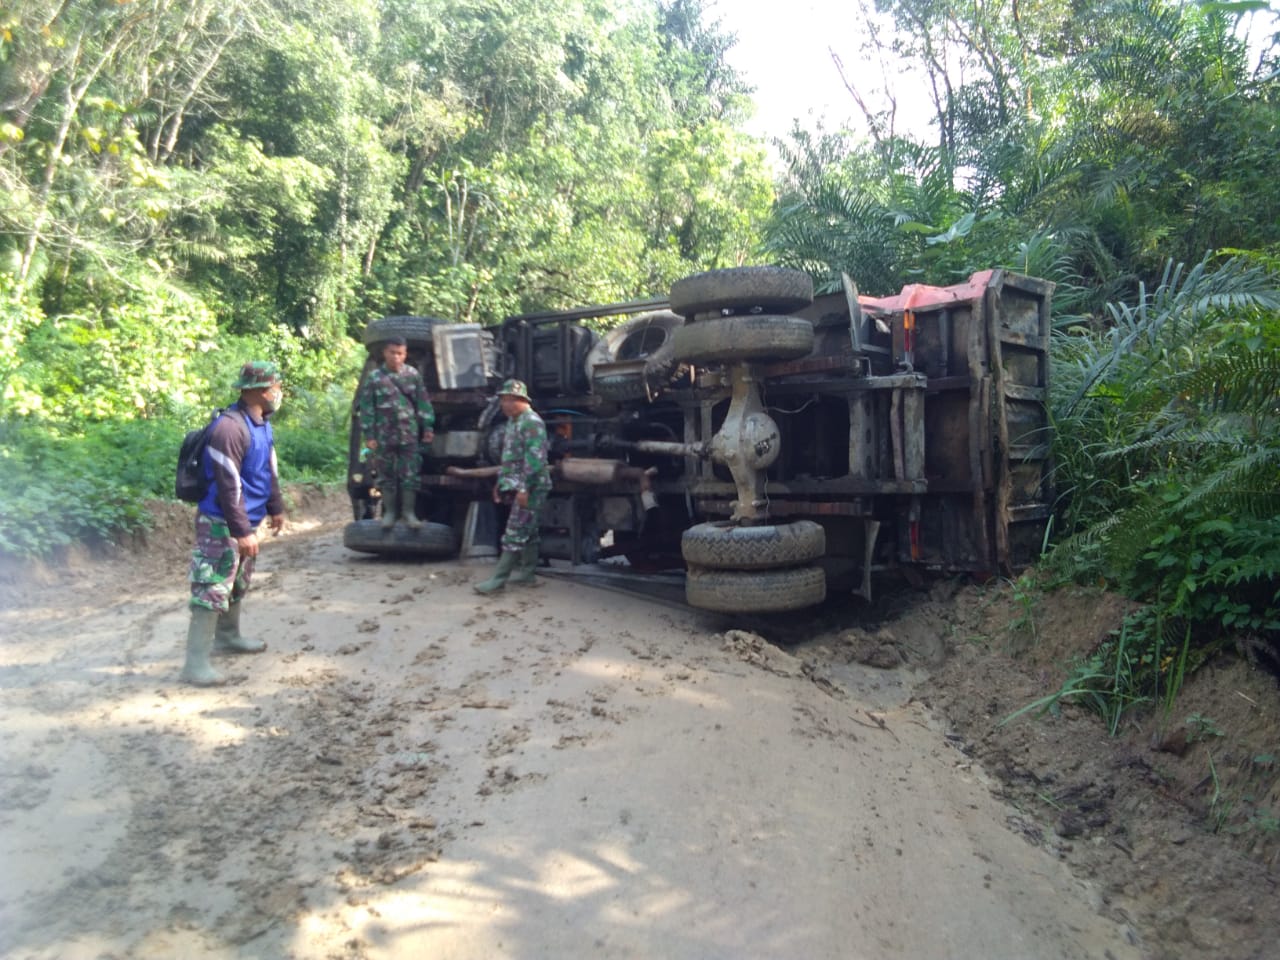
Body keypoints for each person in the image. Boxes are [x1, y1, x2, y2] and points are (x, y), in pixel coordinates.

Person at [181, 361, 286, 686]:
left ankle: (227, 636)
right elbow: (229, 485)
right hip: (220, 522)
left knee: (237, 582)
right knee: (211, 587)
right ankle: (195, 664)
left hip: (245, 521)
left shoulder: (262, 424)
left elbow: (267, 471)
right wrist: (241, 531)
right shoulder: (229, 429)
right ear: (257, 390)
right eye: (275, 386)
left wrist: (276, 507)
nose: (278, 392)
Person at [474, 379, 551, 594]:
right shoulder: (513, 422)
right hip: (516, 484)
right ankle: (527, 574)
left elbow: (535, 460)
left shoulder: (532, 422)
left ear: (522, 400)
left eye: (509, 400)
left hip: (532, 487)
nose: (505, 405)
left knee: (514, 532)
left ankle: (498, 580)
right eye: (503, 400)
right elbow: (509, 457)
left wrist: (524, 488)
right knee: (529, 531)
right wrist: (501, 483)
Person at [355, 336, 435, 529]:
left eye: (400, 353)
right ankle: (390, 512)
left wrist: (428, 427)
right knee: (386, 475)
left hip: (409, 435)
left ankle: (408, 513)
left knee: (410, 474)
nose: (396, 357)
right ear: (385, 353)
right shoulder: (375, 378)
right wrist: (370, 436)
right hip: (383, 436)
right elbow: (367, 408)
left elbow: (423, 403)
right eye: (392, 353)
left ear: (405, 354)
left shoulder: (412, 375)